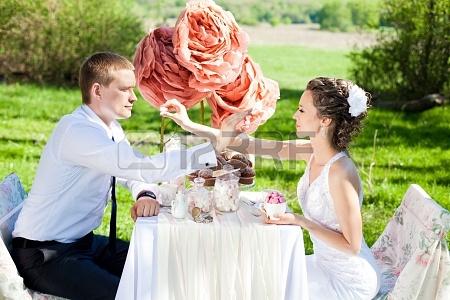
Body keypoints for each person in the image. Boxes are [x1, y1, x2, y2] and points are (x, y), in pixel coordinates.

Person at [11, 52, 219, 300]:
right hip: (47, 256)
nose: (134, 97)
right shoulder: (77, 131)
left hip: (85, 243)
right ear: (97, 91)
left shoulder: (109, 127)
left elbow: (129, 172)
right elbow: (140, 166)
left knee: (163, 269)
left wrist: (145, 193)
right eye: (125, 89)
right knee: (132, 295)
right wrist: (211, 150)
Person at [160, 77, 381, 299]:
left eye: (302, 110)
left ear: (324, 120)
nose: (295, 115)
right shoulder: (311, 151)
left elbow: (352, 245)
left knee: (265, 289)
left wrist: (299, 220)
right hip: (323, 265)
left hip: (348, 281)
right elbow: (248, 144)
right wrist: (187, 124)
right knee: (257, 278)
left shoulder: (339, 172)